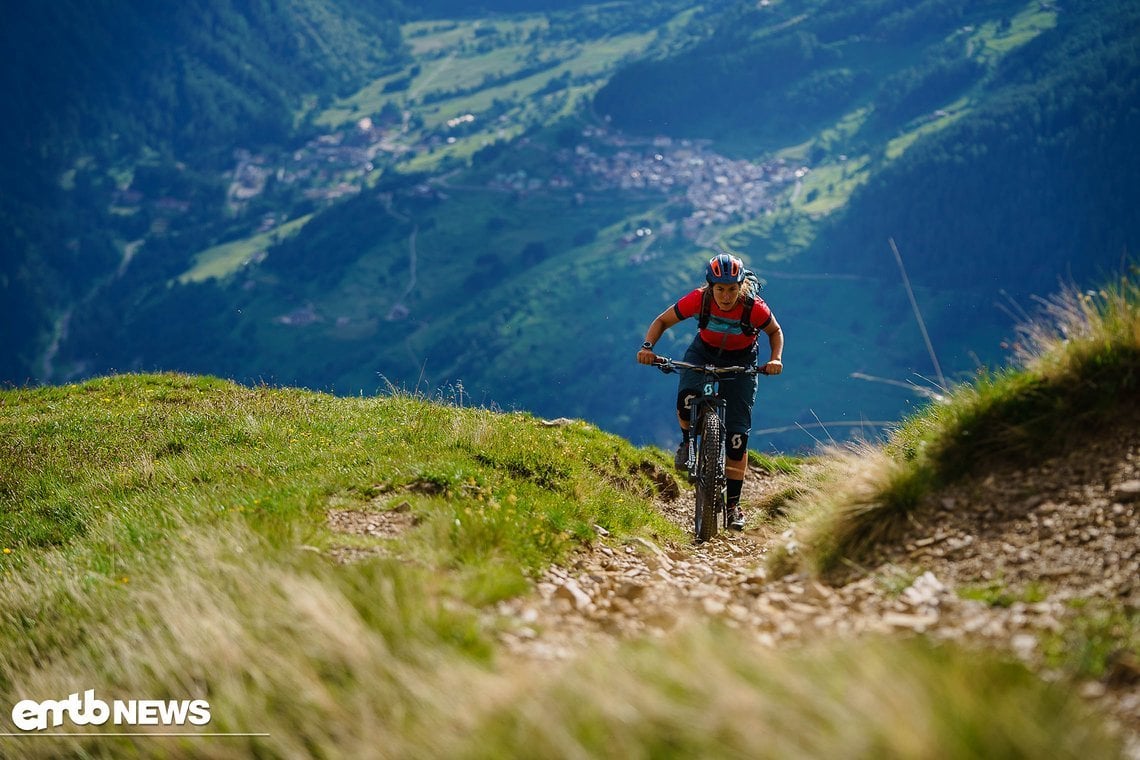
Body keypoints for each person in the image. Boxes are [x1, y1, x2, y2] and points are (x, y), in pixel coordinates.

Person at [636, 252, 784, 531]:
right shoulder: (699, 299)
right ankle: (686, 443)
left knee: (738, 436)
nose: (726, 296)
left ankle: (733, 507)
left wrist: (775, 359)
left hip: (741, 359)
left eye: (731, 289)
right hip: (703, 352)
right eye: (720, 289)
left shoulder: (754, 307)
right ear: (710, 287)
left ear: (740, 286)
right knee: (686, 400)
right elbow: (662, 321)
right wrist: (647, 348)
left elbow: (775, 332)